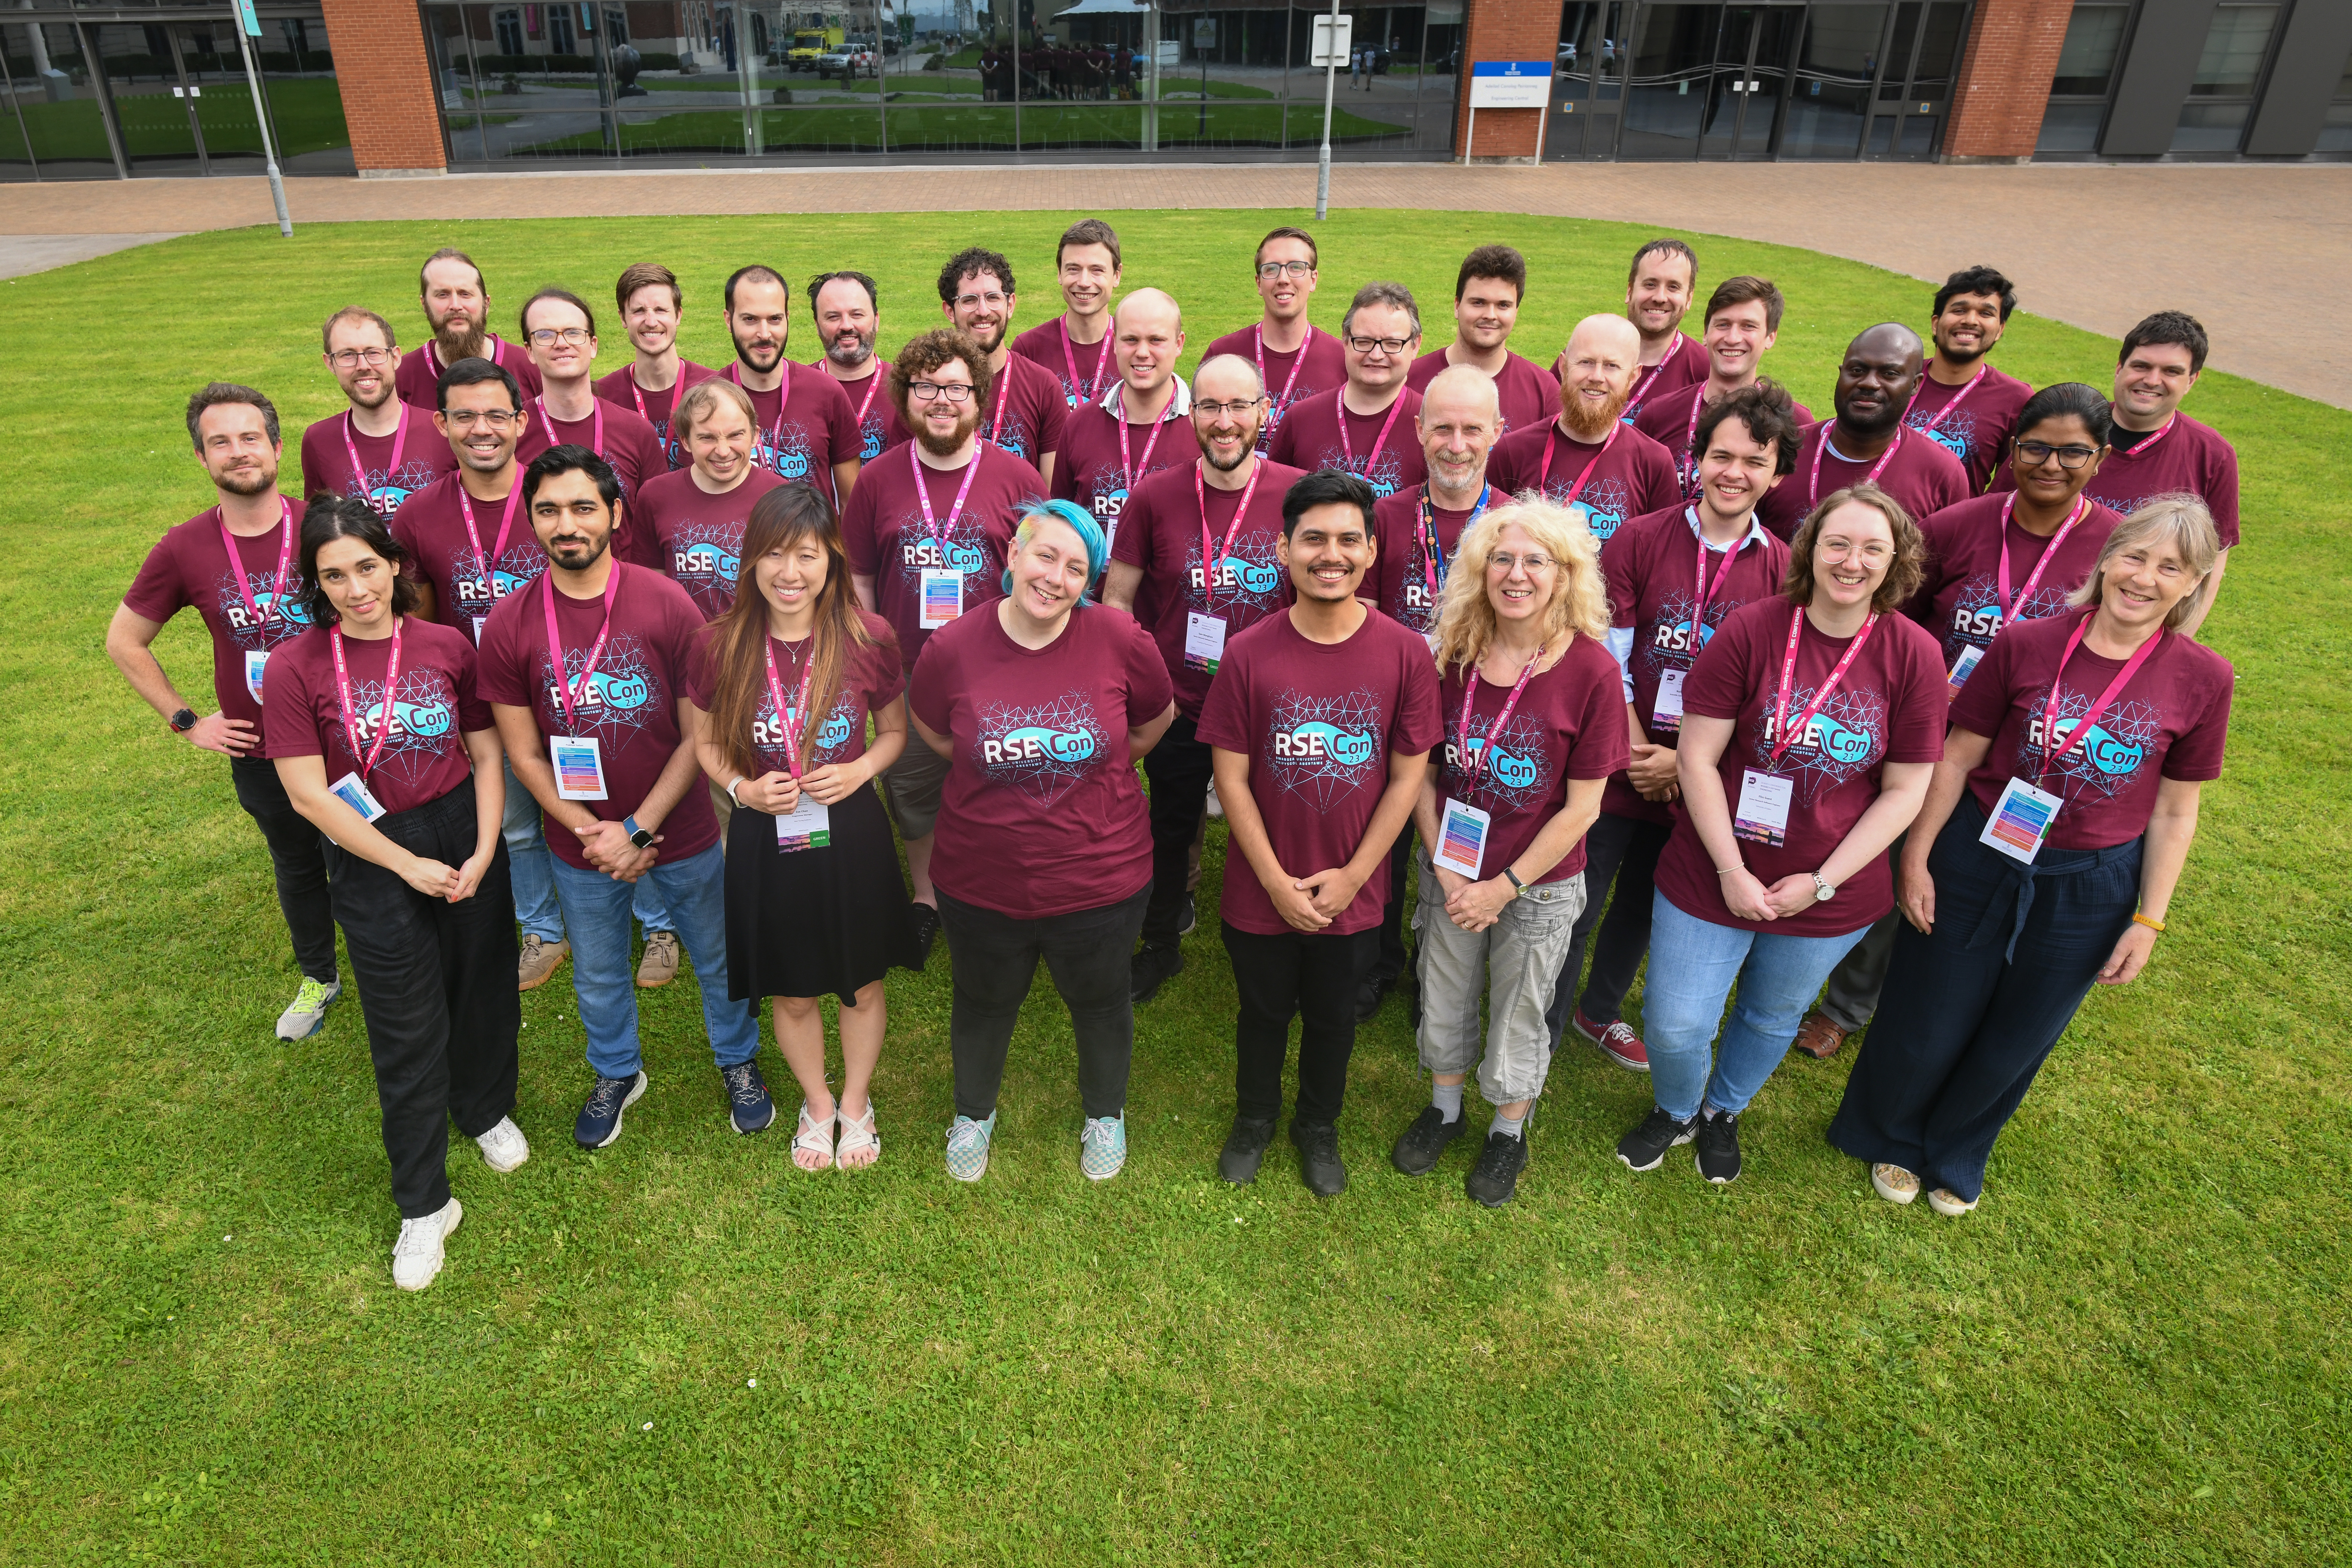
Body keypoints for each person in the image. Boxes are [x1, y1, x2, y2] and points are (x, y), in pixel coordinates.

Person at [1828, 497, 2231, 1216]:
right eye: (2135, 556)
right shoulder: (2026, 643)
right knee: (1930, 1006)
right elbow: (1956, 759)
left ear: (2194, 583)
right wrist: (1916, 857)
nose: (2144, 578)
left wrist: (2150, 919)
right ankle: (1887, 1131)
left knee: (2024, 1026)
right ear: (2108, 557)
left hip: (2090, 880)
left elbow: (2176, 809)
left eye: (2171, 568)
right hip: (1978, 849)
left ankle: (1957, 1149)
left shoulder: (2202, 678)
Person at [1791, 382, 2125, 1064]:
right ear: (2011, 449)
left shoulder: (2117, 546)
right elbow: (1890, 620)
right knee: (1892, 857)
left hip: (2033, 751)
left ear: (2101, 457)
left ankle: (1944, 999)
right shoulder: (1959, 525)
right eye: (2035, 448)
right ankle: (1844, 1003)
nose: (2051, 466)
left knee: (1971, 871)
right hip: (1929, 729)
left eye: (2072, 453)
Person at [1617, 484, 1942, 1184]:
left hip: (1832, 891)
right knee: (1676, 1024)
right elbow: (1697, 756)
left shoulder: (1914, 655)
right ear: (1811, 548)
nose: (1851, 562)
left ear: (1896, 562)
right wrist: (1732, 870)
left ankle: (1723, 1111)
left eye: (1871, 549)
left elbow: (1906, 788)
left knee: (1771, 1016)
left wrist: (1823, 881)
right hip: (1711, 868)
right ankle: (1676, 1109)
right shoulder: (1754, 628)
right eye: (1838, 543)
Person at [263, 496, 522, 1291]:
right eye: (333, 575)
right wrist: (405, 867)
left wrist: (482, 849)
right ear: (315, 583)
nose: (355, 588)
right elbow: (309, 797)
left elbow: (485, 756)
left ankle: (483, 1108)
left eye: (367, 567)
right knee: (405, 1025)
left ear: (396, 565)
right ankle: (423, 1203)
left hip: (460, 830)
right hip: (372, 849)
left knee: (482, 985)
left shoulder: (445, 644)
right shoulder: (295, 666)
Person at [479, 445, 770, 1148]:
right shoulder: (510, 622)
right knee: (602, 972)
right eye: (548, 510)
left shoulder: (665, 602)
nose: (565, 524)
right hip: (580, 846)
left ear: (614, 514)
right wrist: (595, 832)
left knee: (717, 956)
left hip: (683, 829)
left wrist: (638, 828)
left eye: (583, 507)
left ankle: (739, 1060)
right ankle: (617, 1071)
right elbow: (521, 750)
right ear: (531, 520)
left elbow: (696, 734)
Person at [908, 500, 1175, 1183]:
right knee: (983, 1000)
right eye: (1045, 555)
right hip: (981, 880)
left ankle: (1105, 1115)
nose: (1056, 577)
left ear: (1088, 582)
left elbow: (1154, 718)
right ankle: (973, 1114)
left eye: (1076, 567)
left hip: (1101, 880)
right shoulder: (952, 647)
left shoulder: (1119, 638)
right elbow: (938, 732)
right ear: (1014, 556)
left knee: (1101, 1001)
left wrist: (1106, 763)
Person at [1198, 469, 1441, 1196]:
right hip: (1259, 890)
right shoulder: (1248, 651)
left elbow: (1407, 778)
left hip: (1354, 892)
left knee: (1334, 1018)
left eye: (1346, 539)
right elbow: (1232, 777)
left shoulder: (1404, 654)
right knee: (1263, 1011)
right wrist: (1275, 881)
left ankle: (1318, 1124)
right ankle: (1255, 1117)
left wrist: (1354, 877)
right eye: (1312, 539)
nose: (1328, 554)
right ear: (1282, 549)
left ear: (1371, 551)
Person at [1550, 385, 1798, 1074]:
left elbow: (1764, 694)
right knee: (1578, 892)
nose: (1734, 472)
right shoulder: (1639, 537)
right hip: (1616, 754)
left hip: (1699, 775)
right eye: (1721, 455)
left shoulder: (1782, 569)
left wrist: (1684, 763)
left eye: (1755, 461)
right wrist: (1634, 747)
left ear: (1777, 475)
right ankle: (1538, 1016)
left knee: (1642, 904)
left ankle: (1596, 1012)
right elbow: (1607, 652)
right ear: (1697, 460)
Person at [1391, 498, 1625, 1206]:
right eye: (1501, 557)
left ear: (1565, 574)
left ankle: (1506, 1132)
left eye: (1536, 560)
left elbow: (1584, 807)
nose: (1516, 573)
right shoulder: (1452, 654)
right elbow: (1426, 774)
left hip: (1538, 883)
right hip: (1452, 869)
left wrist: (1504, 885)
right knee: (1446, 991)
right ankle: (1445, 1109)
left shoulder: (1591, 671)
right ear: (1479, 568)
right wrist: (1441, 860)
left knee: (1522, 1008)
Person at [686, 483, 920, 1173]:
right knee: (790, 985)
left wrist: (862, 771)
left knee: (862, 981)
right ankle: (816, 1102)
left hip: (852, 835)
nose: (790, 573)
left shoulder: (869, 636)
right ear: (752, 560)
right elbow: (704, 744)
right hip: (768, 835)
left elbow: (897, 731)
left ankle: (856, 1101)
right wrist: (742, 788)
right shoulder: (718, 643)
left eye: (807, 556)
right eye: (775, 555)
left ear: (832, 562)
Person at [108, 383, 340, 1041]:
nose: (238, 452)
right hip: (260, 747)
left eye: (248, 437)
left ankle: (396, 967)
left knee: (365, 860)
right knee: (297, 863)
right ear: (202, 457)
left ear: (275, 444)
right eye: (220, 442)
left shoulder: (324, 524)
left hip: (350, 737)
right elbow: (125, 640)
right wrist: (187, 720)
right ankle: (319, 976)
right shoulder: (184, 548)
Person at [1103, 353, 1305, 1001]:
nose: (1225, 422)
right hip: (1179, 702)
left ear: (1263, 412)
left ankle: (1287, 933)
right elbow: (1118, 599)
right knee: (1169, 823)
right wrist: (1137, 687)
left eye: (1239, 406)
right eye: (1211, 407)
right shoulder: (1156, 494)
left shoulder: (1299, 494)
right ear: (1193, 415)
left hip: (1271, 704)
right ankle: (1162, 941)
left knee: (1286, 823)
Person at [840, 328, 1047, 959]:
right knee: (915, 790)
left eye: (956, 387)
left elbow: (1037, 577)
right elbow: (860, 577)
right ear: (905, 398)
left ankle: (1012, 894)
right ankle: (927, 896)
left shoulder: (1016, 478)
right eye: (926, 387)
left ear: (978, 398)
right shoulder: (877, 480)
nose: (941, 400)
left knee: (1011, 783)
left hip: (999, 668)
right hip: (907, 669)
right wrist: (873, 662)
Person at [1356, 364, 1501, 1020]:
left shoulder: (1513, 527)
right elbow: (1357, 618)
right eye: (1442, 426)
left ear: (1498, 433)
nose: (1456, 442)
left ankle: (1435, 974)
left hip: (1484, 725)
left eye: (1473, 428)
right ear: (1418, 430)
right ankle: (1376, 963)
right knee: (1383, 847)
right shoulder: (1383, 516)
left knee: (1460, 848)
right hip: (1393, 718)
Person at [1995, 311, 2239, 638]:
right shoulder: (2060, 431)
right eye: (2141, 366)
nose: (2152, 380)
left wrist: (2176, 642)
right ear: (2119, 367)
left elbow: (2209, 567)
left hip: (2127, 632)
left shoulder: (2213, 456)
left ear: (2192, 380)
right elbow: (1999, 516)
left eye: (2171, 371)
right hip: (2025, 612)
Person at [1758, 323, 1969, 543]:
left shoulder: (1943, 472)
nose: (1869, 383)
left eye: (1889, 374)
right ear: (1842, 374)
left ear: (1915, 385)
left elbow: (1951, 564)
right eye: (1857, 371)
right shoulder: (1781, 449)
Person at [1487, 314, 1680, 546]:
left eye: (1612, 366)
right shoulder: (1512, 451)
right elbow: (1489, 544)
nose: (1596, 377)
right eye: (1586, 362)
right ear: (1563, 366)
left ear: (1633, 376)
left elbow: (1661, 554)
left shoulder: (1654, 462)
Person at [511, 287, 667, 556]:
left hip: (622, 585)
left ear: (592, 345)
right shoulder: (512, 434)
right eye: (545, 335)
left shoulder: (636, 432)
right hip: (539, 584)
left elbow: (661, 521)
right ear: (529, 350)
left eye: (574, 332)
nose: (562, 343)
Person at [1630, 276, 1811, 495]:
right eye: (1723, 325)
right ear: (1706, 333)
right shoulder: (1659, 414)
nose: (1733, 338)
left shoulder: (1796, 423)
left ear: (1770, 337)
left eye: (1748, 327)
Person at [1049, 287, 1192, 555]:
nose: (1142, 352)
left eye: (1157, 340)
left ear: (1179, 344)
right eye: (1131, 340)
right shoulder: (1080, 424)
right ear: (1114, 342)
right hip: (1093, 594)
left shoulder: (1204, 427)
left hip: (1172, 596)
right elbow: (1059, 523)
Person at [639, 379, 785, 624]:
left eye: (736, 435)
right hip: (682, 647)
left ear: (755, 436)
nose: (724, 451)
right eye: (707, 438)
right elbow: (651, 584)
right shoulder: (655, 496)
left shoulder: (781, 497)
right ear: (685, 441)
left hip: (757, 648)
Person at [1266, 282, 1428, 501]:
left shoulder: (1434, 426)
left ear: (1415, 345)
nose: (1377, 354)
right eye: (1364, 341)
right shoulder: (1301, 419)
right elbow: (1273, 501)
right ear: (1345, 339)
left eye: (1392, 343)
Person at [720, 264, 862, 502]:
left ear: (787, 318)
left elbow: (852, 502)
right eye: (750, 319)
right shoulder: (708, 400)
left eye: (774, 319)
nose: (764, 334)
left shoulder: (827, 392)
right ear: (728, 320)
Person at [1201, 226, 1347, 453]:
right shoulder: (1223, 354)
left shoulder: (1342, 359)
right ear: (1259, 282)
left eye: (1296, 267)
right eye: (1271, 269)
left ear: (1314, 280)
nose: (1283, 279)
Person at [299, 306, 453, 515]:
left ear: (396, 357)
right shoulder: (318, 441)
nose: (363, 365)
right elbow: (318, 527)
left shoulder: (443, 431)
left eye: (374, 353)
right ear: (330, 363)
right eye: (347, 355)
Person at [1404, 244, 1562, 436]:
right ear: (1457, 306)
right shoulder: (1409, 380)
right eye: (1479, 303)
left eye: (1503, 305)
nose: (1490, 315)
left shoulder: (1544, 391)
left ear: (1516, 312)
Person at [937, 246, 1065, 482]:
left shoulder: (1043, 387)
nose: (983, 311)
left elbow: (1050, 496)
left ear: (1011, 305)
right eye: (969, 300)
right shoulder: (930, 388)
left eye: (993, 297)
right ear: (950, 311)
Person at [1903, 265, 2032, 494]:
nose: (1971, 321)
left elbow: (2006, 489)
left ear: (2000, 330)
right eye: (1959, 310)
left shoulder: (2017, 399)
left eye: (1986, 313)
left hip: (1948, 529)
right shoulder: (1897, 375)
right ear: (1936, 323)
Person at [592, 261, 716, 472]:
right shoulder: (601, 397)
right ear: (623, 318)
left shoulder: (714, 388)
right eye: (639, 311)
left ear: (678, 315)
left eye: (661, 310)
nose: (651, 322)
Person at [393, 247, 542, 408]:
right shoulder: (401, 377)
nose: (456, 306)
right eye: (443, 295)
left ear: (486, 303)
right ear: (424, 304)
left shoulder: (531, 369)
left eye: (465, 294)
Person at [1010, 217, 1124, 408]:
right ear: (1059, 273)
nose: (1084, 282)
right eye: (1074, 269)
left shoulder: (1133, 350)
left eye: (1097, 270)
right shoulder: (1029, 349)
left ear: (1117, 275)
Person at [806, 269, 897, 463]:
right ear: (817, 325)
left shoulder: (908, 387)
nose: (846, 326)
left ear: (876, 320)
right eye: (833, 317)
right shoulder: (798, 390)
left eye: (857, 314)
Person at [1619, 238, 1704, 424]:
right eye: (1650, 284)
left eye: (1673, 287)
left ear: (1689, 299)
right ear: (1629, 291)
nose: (1660, 297)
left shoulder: (1706, 370)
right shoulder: (1590, 349)